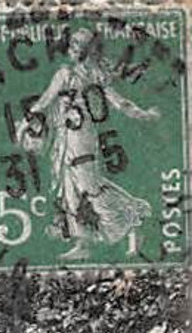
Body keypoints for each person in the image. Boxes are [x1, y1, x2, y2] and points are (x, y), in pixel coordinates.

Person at [16, 27, 160, 261]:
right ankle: (83, 243)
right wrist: (143, 114)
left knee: (89, 188)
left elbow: (45, 101)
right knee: (71, 187)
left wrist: (143, 114)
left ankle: (133, 218)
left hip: (78, 136)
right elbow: (119, 103)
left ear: (85, 51)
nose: (72, 51)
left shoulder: (75, 74)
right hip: (69, 135)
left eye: (77, 48)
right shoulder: (85, 73)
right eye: (72, 46)